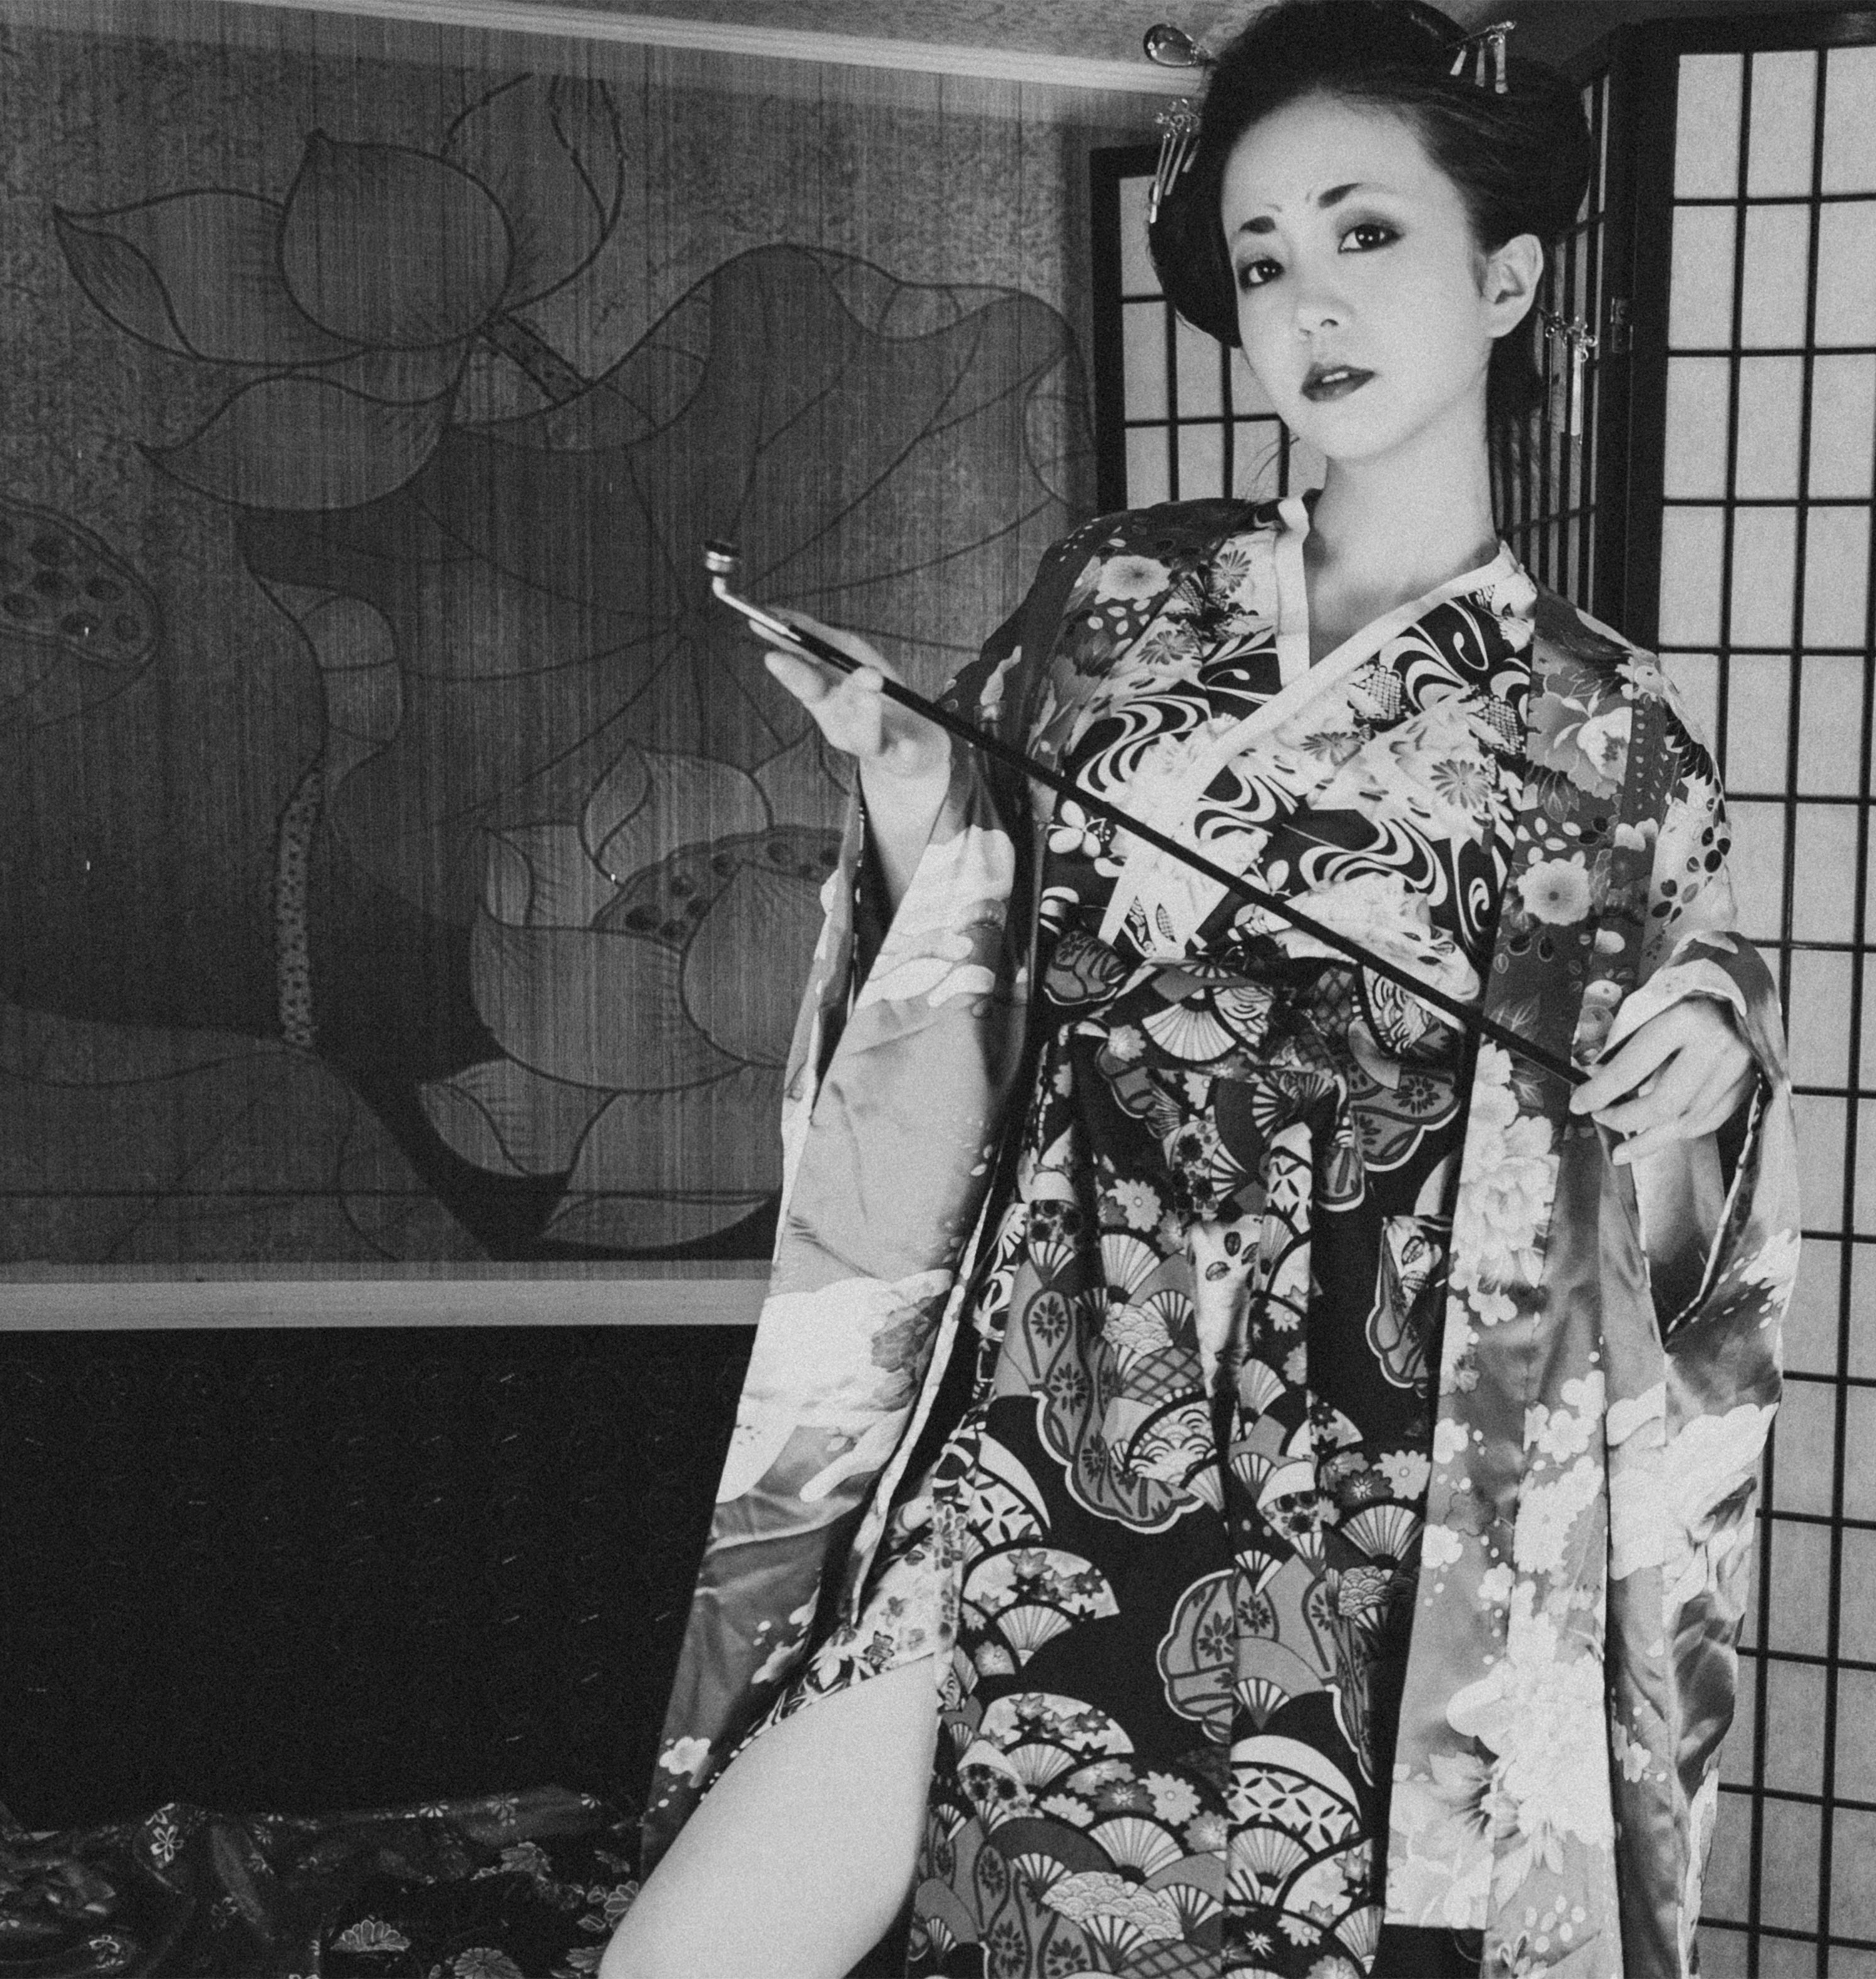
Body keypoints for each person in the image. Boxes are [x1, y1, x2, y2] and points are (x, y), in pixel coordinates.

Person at [605, 6, 1796, 1975]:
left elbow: (1661, 1236)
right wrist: (906, 791)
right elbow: (971, 951)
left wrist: (1698, 1079)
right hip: (1050, 1350)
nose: (1307, 304)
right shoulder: (1117, 595)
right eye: (1261, 261)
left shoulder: (1607, 724)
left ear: (1507, 281)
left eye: (1365, 235)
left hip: (1382, 1441)